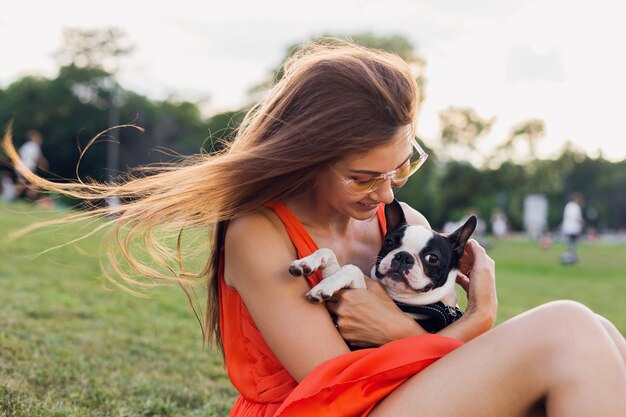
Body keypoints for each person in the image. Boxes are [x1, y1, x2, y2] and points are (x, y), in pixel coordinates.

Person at [4, 40, 625, 417]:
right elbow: (336, 385)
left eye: (401, 169)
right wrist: (473, 324)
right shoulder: (258, 233)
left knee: (601, 334)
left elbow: (414, 346)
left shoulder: (398, 223)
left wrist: (410, 330)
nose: (386, 193)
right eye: (363, 178)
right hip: (327, 411)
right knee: (568, 325)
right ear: (305, 159)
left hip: (409, 400)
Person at [14, 129, 48, 201]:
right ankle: (29, 200)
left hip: (20, 167)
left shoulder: (25, 146)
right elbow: (39, 159)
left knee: (21, 184)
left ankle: (13, 199)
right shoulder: (35, 146)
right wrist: (45, 166)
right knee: (34, 184)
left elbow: (19, 156)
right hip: (28, 168)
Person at [560, 192, 584, 264]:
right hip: (573, 228)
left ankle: (571, 256)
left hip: (567, 227)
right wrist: (581, 224)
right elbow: (577, 218)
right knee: (572, 243)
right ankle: (570, 257)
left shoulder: (568, 206)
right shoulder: (576, 207)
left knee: (570, 243)